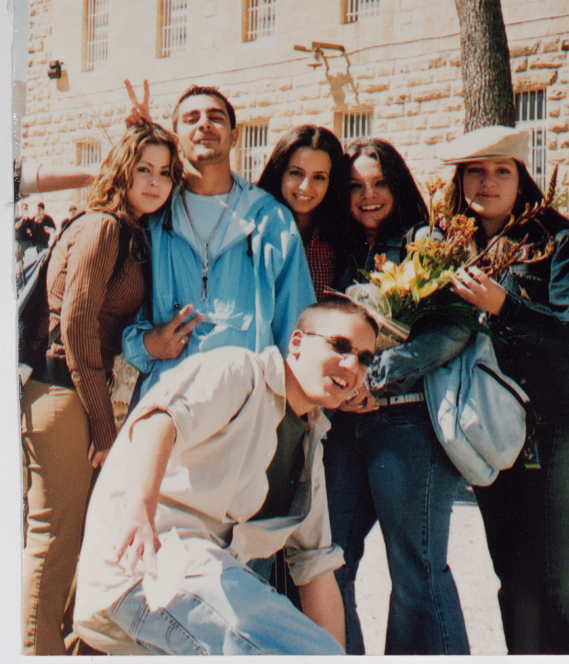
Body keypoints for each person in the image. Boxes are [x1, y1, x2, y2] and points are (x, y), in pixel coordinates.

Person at [73, 299, 378, 656]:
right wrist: (141, 509)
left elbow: (317, 569)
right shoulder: (241, 371)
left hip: (189, 591)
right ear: (296, 343)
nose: (351, 365)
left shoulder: (309, 450)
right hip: (153, 560)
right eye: (339, 346)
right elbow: (159, 421)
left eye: (365, 358)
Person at [441, 125, 569, 654]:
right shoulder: (449, 246)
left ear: (522, 180)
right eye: (476, 170)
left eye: (503, 171)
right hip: (496, 428)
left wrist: (507, 307)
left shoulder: (558, 242)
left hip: (566, 425)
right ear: (460, 180)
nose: (488, 182)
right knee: (517, 578)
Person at [21, 122, 183, 655]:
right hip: (63, 393)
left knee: (79, 541)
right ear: (122, 169)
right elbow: (77, 326)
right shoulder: (105, 228)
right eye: (144, 169)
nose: (156, 181)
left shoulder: (130, 229)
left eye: (165, 172)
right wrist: (104, 425)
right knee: (55, 541)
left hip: (72, 396)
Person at [323, 137, 471, 655]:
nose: (368, 195)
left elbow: (458, 327)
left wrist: (380, 374)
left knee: (416, 574)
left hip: (405, 426)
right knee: (328, 562)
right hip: (343, 431)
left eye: (379, 182)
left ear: (398, 184)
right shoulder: (339, 249)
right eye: (356, 186)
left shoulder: (425, 243)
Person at [121, 85, 315, 399]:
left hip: (244, 407)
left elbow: (297, 328)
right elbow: (120, 318)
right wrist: (147, 344)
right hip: (167, 404)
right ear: (175, 138)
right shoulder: (152, 220)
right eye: (191, 118)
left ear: (235, 135)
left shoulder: (270, 221)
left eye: (215, 117)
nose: (204, 124)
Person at [258, 125, 347, 301]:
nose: (305, 187)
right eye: (296, 173)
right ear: (280, 172)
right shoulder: (256, 227)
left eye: (319, 177)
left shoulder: (337, 239)